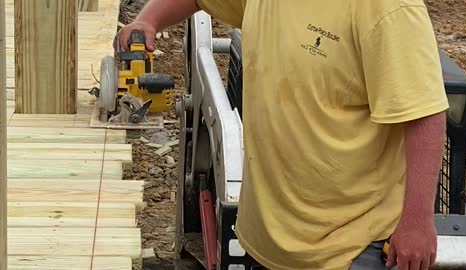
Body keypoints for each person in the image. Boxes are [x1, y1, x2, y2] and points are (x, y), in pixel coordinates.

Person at [116, 1, 449, 269]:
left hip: (352, 248)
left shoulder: (387, 9)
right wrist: (149, 20)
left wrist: (417, 223)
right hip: (268, 241)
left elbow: (424, 115)